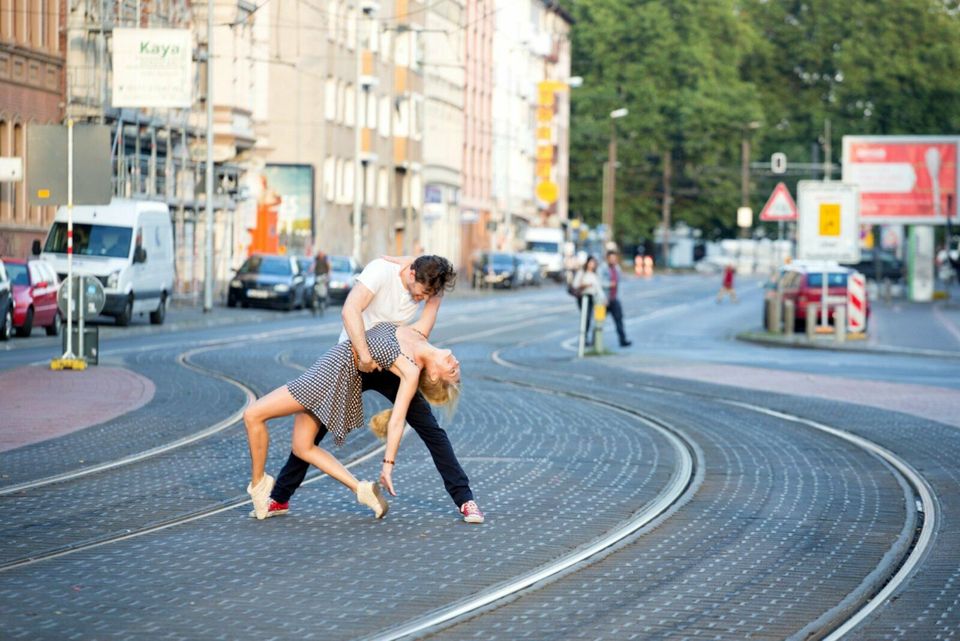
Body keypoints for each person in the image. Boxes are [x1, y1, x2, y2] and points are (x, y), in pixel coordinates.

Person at [260, 255, 485, 524]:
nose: (423, 299)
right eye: (423, 292)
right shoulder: (381, 272)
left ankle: (465, 499)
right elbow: (350, 310)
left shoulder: (418, 340)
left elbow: (432, 294)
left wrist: (435, 286)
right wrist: (365, 356)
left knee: (431, 430)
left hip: (392, 366)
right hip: (354, 360)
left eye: (429, 295)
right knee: (314, 428)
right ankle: (280, 497)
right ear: (412, 274)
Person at [244, 321, 461, 520]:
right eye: (456, 368)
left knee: (252, 415)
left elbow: (397, 421)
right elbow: (432, 299)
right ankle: (362, 490)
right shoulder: (415, 334)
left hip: (327, 377)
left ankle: (259, 486)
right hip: (332, 369)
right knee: (303, 447)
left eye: (451, 371)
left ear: (433, 375)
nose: (456, 363)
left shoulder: (411, 371)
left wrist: (388, 464)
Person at [571, 255, 606, 347]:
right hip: (583, 297)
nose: (592, 265)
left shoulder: (595, 275)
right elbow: (575, 285)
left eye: (594, 263)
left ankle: (596, 341)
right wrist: (585, 285)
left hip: (593, 298)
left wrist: (604, 298)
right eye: (590, 262)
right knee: (585, 318)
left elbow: (598, 288)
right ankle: (584, 338)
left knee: (598, 319)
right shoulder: (582, 273)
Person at [600, 250, 632, 347]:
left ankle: (623, 340)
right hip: (603, 300)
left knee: (619, 320)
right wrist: (610, 284)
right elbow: (599, 282)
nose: (613, 260)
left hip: (614, 299)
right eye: (611, 258)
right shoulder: (602, 268)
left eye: (615, 258)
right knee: (599, 321)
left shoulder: (617, 268)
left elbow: (619, 281)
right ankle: (595, 342)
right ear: (607, 258)